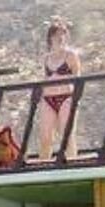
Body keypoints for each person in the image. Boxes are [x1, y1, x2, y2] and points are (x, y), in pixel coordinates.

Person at [39, 17, 81, 160]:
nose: (61, 38)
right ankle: (43, 165)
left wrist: (76, 99)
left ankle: (73, 163)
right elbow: (45, 78)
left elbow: (78, 78)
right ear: (51, 37)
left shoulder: (71, 55)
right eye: (57, 35)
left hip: (66, 97)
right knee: (45, 136)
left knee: (67, 134)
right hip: (48, 98)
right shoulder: (46, 58)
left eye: (63, 34)